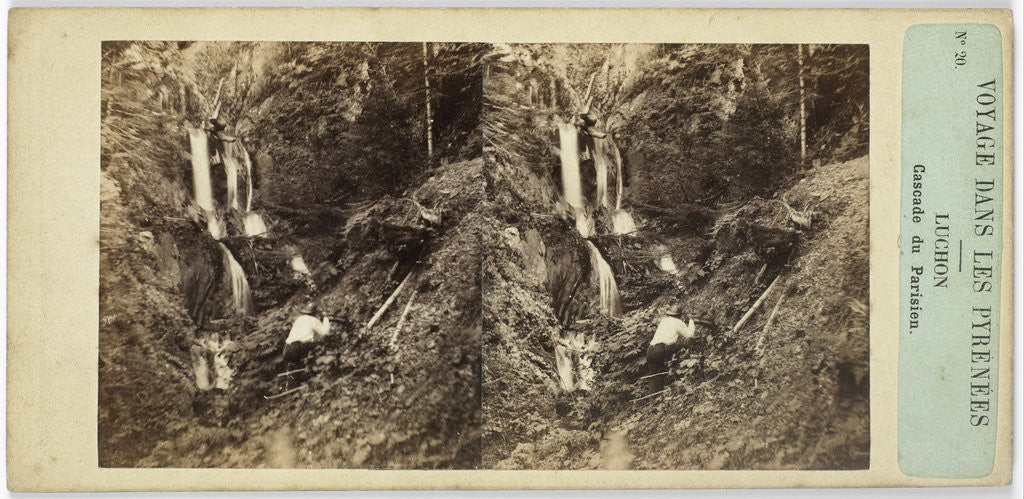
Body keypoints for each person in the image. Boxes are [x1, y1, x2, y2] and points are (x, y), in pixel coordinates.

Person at [645, 304, 697, 392]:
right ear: (679, 315)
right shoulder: (678, 322)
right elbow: (689, 335)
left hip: (650, 350)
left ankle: (654, 396)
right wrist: (691, 321)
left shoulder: (664, 320)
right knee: (660, 376)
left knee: (654, 377)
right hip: (659, 350)